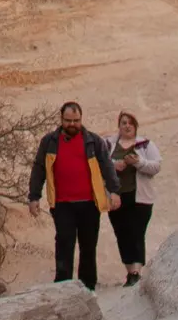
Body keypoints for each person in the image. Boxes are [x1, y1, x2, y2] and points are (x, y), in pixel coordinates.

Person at [26, 100, 121, 291]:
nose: (72, 125)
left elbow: (107, 167)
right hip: (62, 204)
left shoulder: (94, 141)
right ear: (61, 119)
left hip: (89, 203)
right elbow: (39, 169)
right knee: (64, 243)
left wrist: (114, 191)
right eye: (68, 120)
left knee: (88, 246)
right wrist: (34, 196)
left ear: (81, 119)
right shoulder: (49, 142)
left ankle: (88, 288)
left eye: (76, 120)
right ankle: (63, 287)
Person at [107, 110, 161, 285]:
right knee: (122, 233)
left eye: (130, 123)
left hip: (141, 197)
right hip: (116, 196)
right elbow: (99, 164)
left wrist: (137, 162)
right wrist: (115, 165)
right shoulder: (109, 144)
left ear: (136, 126)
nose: (127, 126)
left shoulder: (145, 145)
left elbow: (156, 166)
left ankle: (136, 272)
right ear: (119, 126)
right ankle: (130, 272)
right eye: (124, 123)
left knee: (137, 232)